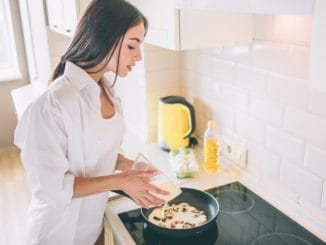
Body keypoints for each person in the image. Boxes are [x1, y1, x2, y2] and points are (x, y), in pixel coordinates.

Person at [14, 0, 169, 244]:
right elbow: (50, 188)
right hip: (57, 234)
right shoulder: (50, 106)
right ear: (104, 37)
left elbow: (94, 152)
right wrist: (121, 181)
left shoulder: (107, 92)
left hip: (93, 226)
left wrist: (129, 166)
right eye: (132, 45)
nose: (139, 56)